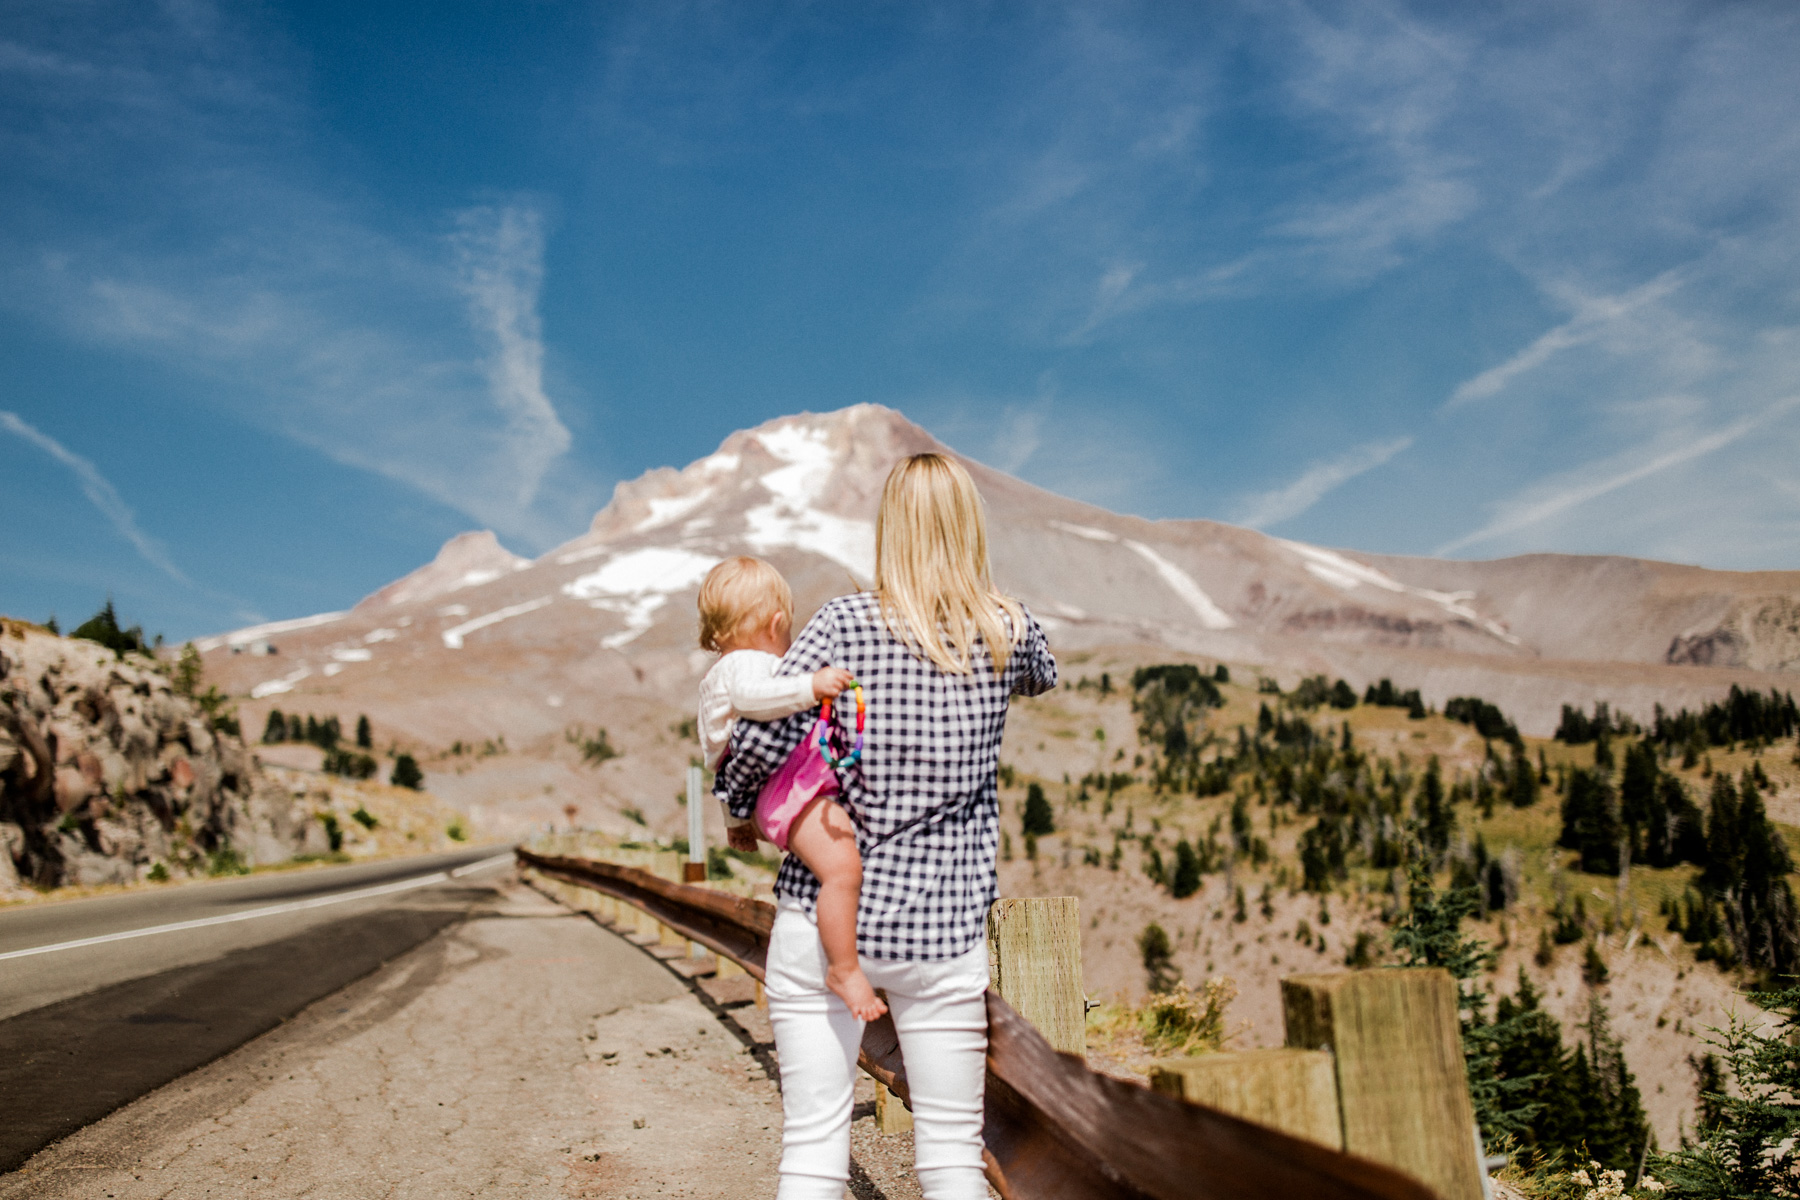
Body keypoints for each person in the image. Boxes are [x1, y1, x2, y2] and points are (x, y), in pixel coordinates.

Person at [717, 453, 1057, 1200]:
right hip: (940, 930)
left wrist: (739, 807)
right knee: (951, 1155)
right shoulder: (1007, 630)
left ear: (888, 530)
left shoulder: (841, 624)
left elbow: (760, 740)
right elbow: (1043, 671)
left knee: (812, 1147)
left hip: (823, 921)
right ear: (970, 528)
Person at [696, 555, 886, 1021]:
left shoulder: (719, 672)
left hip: (772, 792)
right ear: (776, 622)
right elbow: (752, 703)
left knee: (842, 860)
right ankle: (845, 968)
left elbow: (724, 763)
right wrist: (812, 685)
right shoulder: (747, 665)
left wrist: (735, 820)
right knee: (843, 871)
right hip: (786, 792)